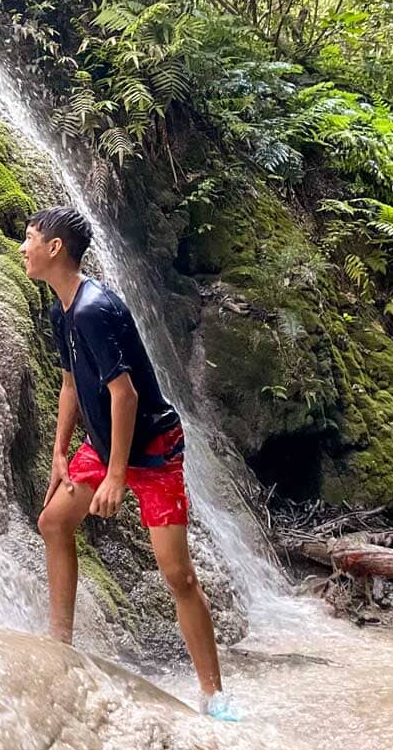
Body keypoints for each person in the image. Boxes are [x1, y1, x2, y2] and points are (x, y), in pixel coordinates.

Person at [19, 206, 237, 721]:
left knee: (178, 574)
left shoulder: (94, 308)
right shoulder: (60, 309)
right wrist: (58, 453)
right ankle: (62, 641)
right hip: (102, 443)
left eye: (29, 239)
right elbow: (71, 384)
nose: (22, 248)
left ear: (55, 249)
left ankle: (215, 694)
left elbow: (126, 394)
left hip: (152, 450)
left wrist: (117, 474)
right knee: (53, 522)